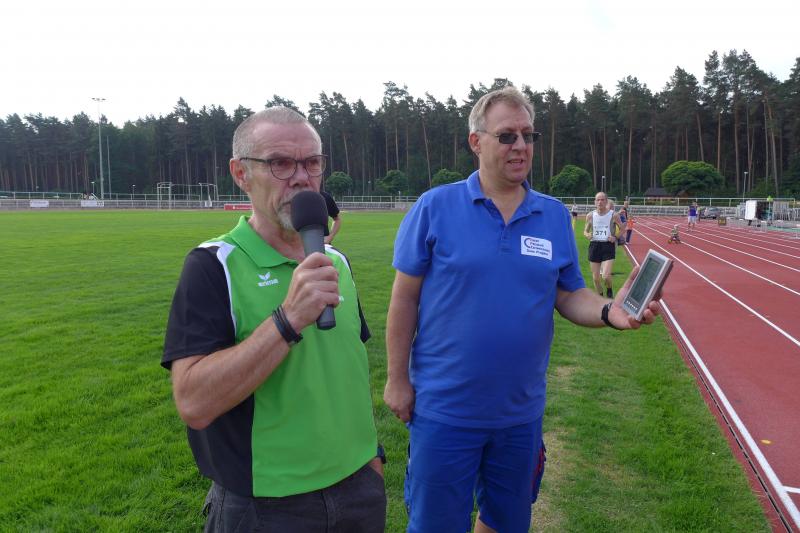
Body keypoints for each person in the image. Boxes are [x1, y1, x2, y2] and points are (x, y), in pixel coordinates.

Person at [383, 87, 660, 533]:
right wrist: (397, 379)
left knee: (506, 522)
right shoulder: (434, 207)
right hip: (444, 410)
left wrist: (611, 310)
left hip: (519, 414)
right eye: (507, 135)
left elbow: (569, 294)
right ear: (476, 142)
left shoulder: (552, 215)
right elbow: (404, 299)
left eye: (528, 136)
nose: (521, 146)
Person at [162, 107, 386, 533]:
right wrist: (287, 320)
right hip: (266, 507)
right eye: (281, 163)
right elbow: (193, 402)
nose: (301, 178)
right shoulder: (213, 266)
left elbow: (346, 373)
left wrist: (372, 458)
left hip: (359, 491)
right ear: (241, 174)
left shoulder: (336, 261)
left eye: (312, 163)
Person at [583, 191, 623, 298]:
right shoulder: (590, 215)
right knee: (596, 278)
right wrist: (587, 235)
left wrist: (615, 237)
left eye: (602, 200)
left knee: (605, 275)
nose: (600, 202)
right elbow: (585, 231)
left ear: (606, 201)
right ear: (595, 202)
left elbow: (623, 228)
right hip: (594, 246)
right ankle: (600, 297)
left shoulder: (613, 215)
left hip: (608, 246)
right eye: (598, 200)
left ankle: (609, 290)